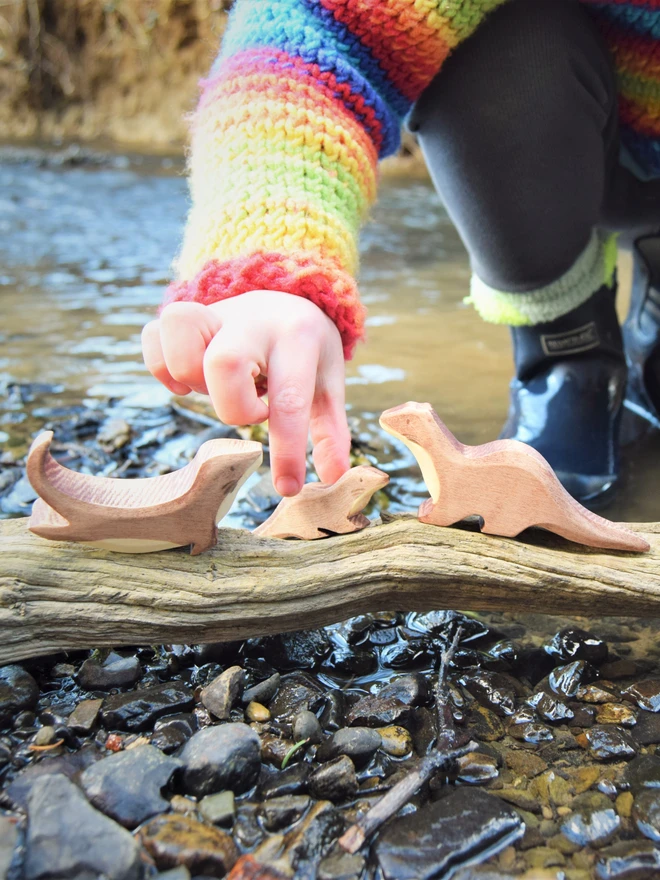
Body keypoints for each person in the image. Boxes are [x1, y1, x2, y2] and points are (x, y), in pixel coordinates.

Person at [141, 0, 660, 507]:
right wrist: (276, 271)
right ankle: (568, 356)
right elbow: (307, 38)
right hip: (589, 140)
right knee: (503, 43)